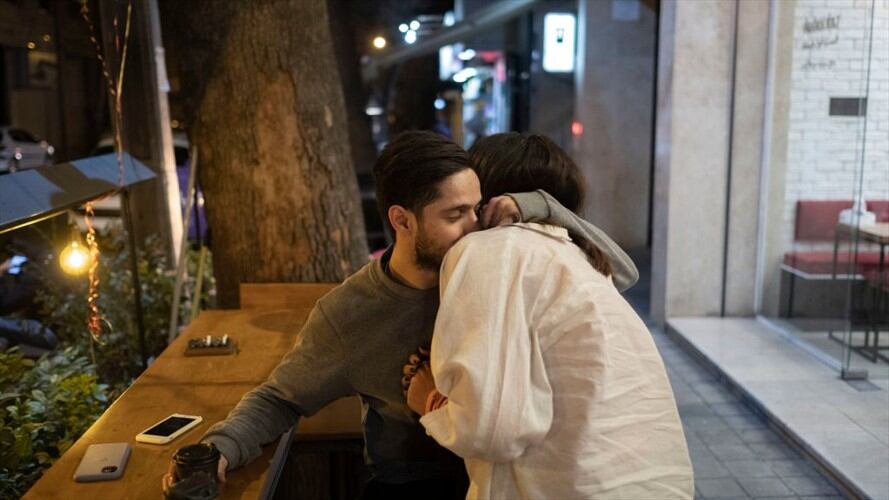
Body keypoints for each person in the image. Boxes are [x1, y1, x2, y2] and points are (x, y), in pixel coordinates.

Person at [192, 131, 638, 499]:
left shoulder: (500, 274)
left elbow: (614, 275)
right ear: (402, 221)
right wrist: (221, 448)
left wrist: (541, 206)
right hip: (418, 482)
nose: (474, 229)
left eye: (476, 209)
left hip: (512, 474)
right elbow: (282, 398)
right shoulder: (351, 313)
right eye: (455, 214)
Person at [404, 133, 693, 499]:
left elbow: (493, 428)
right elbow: (627, 271)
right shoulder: (583, 257)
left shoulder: (490, 249)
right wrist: (540, 206)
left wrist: (430, 399)